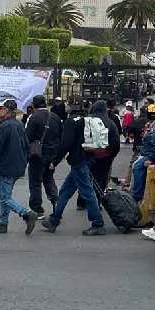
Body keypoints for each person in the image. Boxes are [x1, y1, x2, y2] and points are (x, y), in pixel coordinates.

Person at [42, 101, 106, 236]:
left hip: (78, 161)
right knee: (65, 190)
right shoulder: (85, 120)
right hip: (85, 158)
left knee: (87, 193)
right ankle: (54, 219)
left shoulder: (70, 123)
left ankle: (97, 223)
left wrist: (55, 161)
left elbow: (65, 144)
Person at [0, 100, 36, 234]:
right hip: (17, 164)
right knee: (5, 195)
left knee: (4, 197)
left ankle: (26, 213)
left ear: (6, 111)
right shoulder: (18, 124)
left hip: (6, 165)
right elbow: (26, 145)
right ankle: (3, 223)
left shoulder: (5, 126)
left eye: (0, 109)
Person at [78, 100, 120, 210]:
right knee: (100, 180)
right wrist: (112, 155)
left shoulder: (86, 120)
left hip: (87, 154)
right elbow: (115, 141)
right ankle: (96, 201)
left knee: (85, 178)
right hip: (104, 155)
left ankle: (82, 201)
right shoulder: (110, 122)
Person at [25, 95, 61, 219]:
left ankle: (37, 209)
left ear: (34, 105)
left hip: (37, 154)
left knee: (35, 182)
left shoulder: (33, 118)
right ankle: (57, 203)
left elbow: (27, 137)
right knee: (49, 179)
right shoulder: (55, 117)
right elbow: (59, 137)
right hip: (52, 154)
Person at [130, 104, 155, 202]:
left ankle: (137, 195)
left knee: (137, 167)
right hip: (152, 153)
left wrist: (152, 160)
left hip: (152, 155)